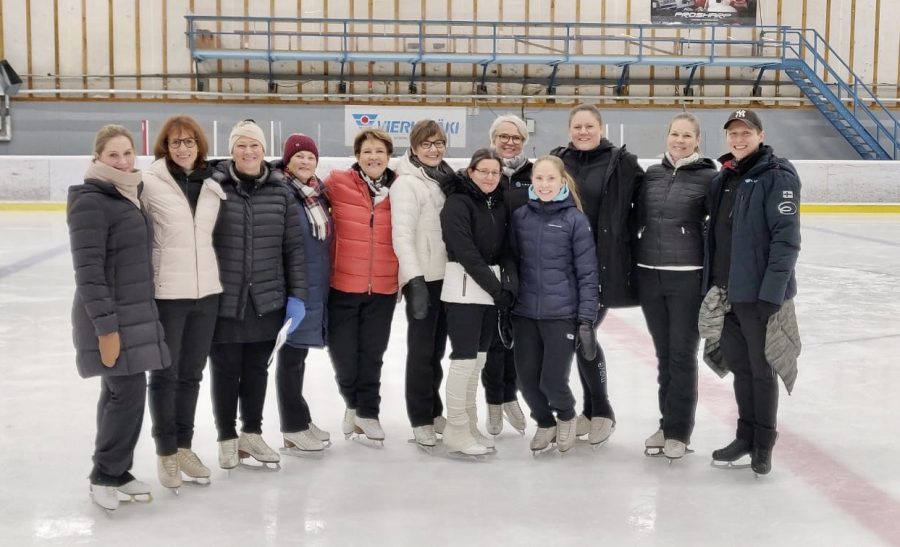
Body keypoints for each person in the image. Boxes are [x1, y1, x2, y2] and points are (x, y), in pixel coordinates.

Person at [67, 124, 171, 511]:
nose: (123, 161)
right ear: (97, 158)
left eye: (128, 153)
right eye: (114, 155)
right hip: (109, 317)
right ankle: (105, 474)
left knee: (121, 393)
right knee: (124, 394)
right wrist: (106, 327)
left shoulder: (130, 194)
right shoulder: (91, 199)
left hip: (135, 311)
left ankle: (116, 469)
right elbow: (88, 271)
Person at [703, 108, 801, 475]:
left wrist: (770, 296)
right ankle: (745, 436)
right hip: (725, 294)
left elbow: (786, 241)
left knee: (762, 371)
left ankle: (764, 442)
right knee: (742, 370)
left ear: (760, 135)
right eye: (733, 132)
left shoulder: (778, 176)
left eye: (747, 132)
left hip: (758, 297)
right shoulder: (724, 178)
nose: (739, 138)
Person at [208, 120, 307, 469]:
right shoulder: (214, 188)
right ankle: (226, 436)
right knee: (224, 370)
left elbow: (293, 248)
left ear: (265, 151)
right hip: (225, 298)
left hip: (267, 299)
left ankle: (251, 432)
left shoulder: (280, 191)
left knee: (256, 371)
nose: (248, 152)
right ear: (231, 150)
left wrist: (297, 295)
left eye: (255, 146)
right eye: (241, 146)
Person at [551, 104, 644, 446]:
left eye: (589, 126)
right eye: (577, 126)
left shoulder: (622, 162)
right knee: (576, 337)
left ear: (601, 128)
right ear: (569, 129)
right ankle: (591, 412)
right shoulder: (558, 160)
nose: (583, 132)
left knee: (583, 333)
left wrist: (623, 246)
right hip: (562, 268)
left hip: (600, 266)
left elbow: (641, 208)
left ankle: (602, 410)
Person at [141, 115, 223, 490]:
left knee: (192, 374)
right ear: (165, 146)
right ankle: (166, 453)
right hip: (168, 294)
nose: (183, 148)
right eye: (175, 142)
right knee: (165, 374)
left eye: (189, 141)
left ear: (199, 145)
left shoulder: (212, 182)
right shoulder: (151, 182)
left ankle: (184, 445)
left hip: (206, 292)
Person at [636, 113, 717, 460]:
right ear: (666, 136)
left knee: (682, 356)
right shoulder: (652, 174)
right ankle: (666, 423)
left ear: (697, 140)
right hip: (650, 275)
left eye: (687, 135)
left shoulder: (709, 177)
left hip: (687, 275)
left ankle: (680, 432)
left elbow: (717, 230)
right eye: (675, 134)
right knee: (664, 356)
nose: (679, 140)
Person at [509, 156, 599, 454]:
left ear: (562, 182)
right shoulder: (520, 217)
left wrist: (586, 319)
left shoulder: (575, 220)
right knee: (525, 381)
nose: (544, 184)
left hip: (561, 315)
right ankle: (545, 422)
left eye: (551, 179)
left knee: (552, 381)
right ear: (532, 181)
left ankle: (566, 415)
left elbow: (588, 273)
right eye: (539, 179)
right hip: (524, 313)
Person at [325, 128, 399, 445]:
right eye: (367, 151)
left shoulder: (400, 188)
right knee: (343, 354)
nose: (373, 157)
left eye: (379, 151)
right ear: (357, 156)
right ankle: (352, 404)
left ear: (388, 156)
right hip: (343, 283)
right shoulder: (337, 183)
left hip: (383, 286)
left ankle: (368, 412)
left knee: (372, 353)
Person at [439, 148, 514, 456]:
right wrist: (496, 288)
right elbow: (465, 251)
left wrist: (504, 285)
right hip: (464, 289)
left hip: (488, 289)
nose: (489, 177)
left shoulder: (497, 203)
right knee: (464, 360)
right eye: (483, 171)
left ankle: (469, 424)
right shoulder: (457, 203)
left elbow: (505, 246)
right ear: (470, 172)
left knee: (479, 361)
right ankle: (455, 427)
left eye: (495, 172)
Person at [390, 120, 455, 449]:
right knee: (420, 353)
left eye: (439, 143)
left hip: (446, 276)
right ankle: (419, 417)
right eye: (427, 144)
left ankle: (434, 409)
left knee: (436, 352)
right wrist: (413, 280)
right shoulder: (406, 183)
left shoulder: (445, 178)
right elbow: (401, 235)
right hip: (423, 279)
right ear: (414, 147)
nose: (434, 149)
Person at [274, 134, 333, 453]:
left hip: (314, 285)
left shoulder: (316, 193)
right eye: (298, 157)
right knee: (291, 357)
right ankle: (292, 426)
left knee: (298, 357)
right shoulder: (281, 192)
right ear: (287, 160)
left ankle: (300, 417)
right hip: (293, 288)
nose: (305, 162)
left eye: (310, 157)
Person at [482, 115, 530, 436]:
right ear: (493, 139)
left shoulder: (534, 172)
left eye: (515, 137)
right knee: (493, 339)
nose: (509, 142)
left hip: (527, 267)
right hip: (492, 267)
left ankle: (511, 393)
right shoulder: (483, 172)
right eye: (503, 136)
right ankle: (494, 401)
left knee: (517, 337)